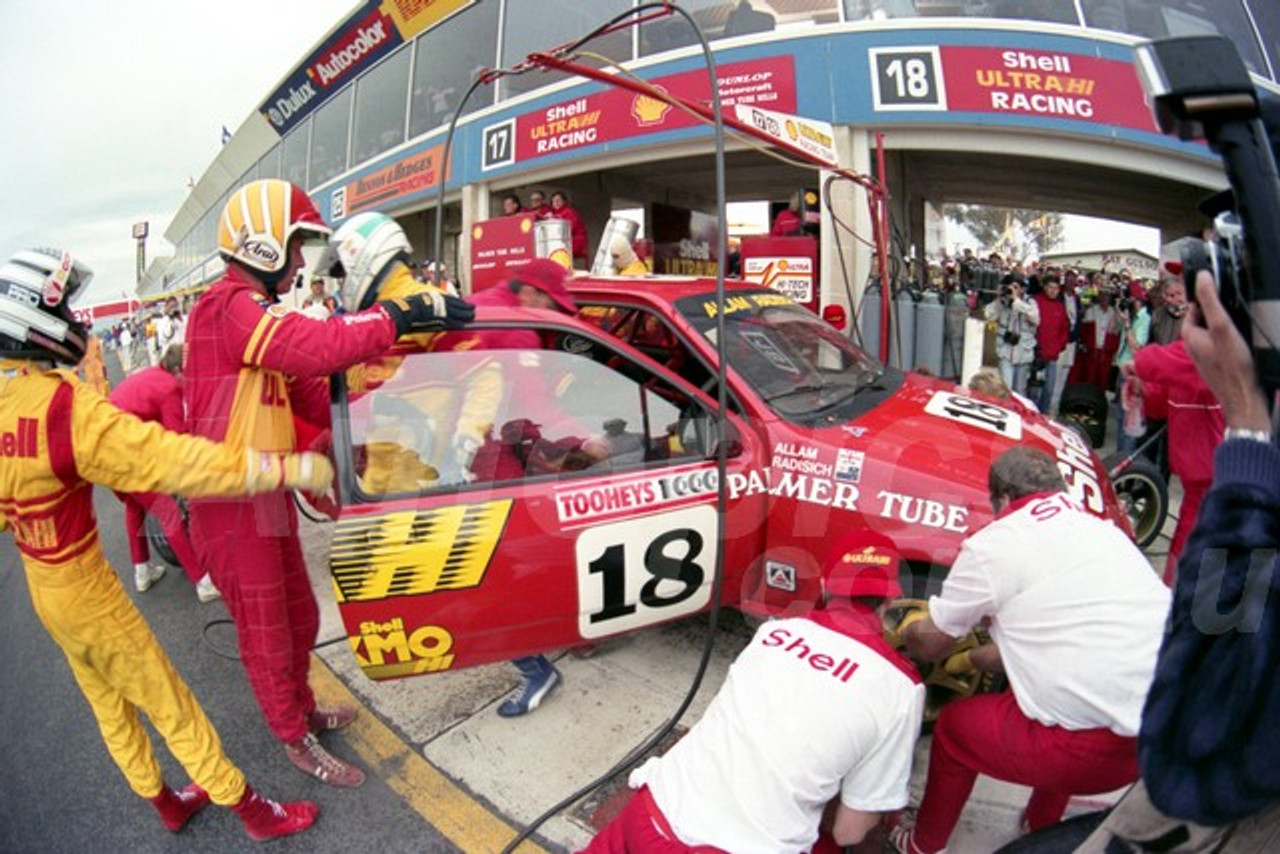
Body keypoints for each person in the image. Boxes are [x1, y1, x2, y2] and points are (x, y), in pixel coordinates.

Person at [0, 247, 331, 841]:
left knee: (108, 704)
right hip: (86, 589)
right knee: (166, 698)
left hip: (42, 587)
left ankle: (165, 801)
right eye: (68, 308)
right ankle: (253, 811)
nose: (79, 322)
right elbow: (177, 462)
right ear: (36, 321)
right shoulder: (63, 409)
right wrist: (285, 470)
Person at [183, 179, 474, 789]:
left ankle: (304, 708)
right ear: (262, 245)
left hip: (262, 493)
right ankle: (294, 737)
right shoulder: (227, 305)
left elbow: (319, 390)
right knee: (268, 631)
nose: (298, 266)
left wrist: (391, 395)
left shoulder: (252, 314)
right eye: (295, 249)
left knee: (299, 617)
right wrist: (398, 316)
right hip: (228, 504)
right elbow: (312, 349)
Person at [1077, 269, 1280, 853]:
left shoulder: (1246, 528)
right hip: (1217, 495)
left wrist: (1246, 418)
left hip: (1222, 498)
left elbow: (1194, 731)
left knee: (1186, 607)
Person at [889, 445, 1170, 854]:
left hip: (1089, 754)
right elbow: (1043, 648)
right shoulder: (1105, 532)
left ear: (1002, 499)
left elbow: (932, 644)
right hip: (1161, 737)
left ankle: (922, 844)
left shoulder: (993, 546)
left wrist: (910, 631)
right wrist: (969, 658)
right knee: (1061, 694)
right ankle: (1041, 824)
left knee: (953, 732)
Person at [582, 532, 925, 853]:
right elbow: (848, 832)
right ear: (892, 597)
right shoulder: (900, 688)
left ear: (823, 585)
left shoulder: (774, 633)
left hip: (650, 817)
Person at [109, 343, 218, 602]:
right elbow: (176, 440)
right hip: (126, 457)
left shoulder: (150, 376)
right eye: (190, 375)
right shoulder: (169, 388)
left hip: (107, 455)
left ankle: (142, 571)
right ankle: (203, 582)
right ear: (178, 370)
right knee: (168, 511)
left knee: (135, 507)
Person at [1123, 335, 1223, 585]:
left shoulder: (1217, 350)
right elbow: (1163, 402)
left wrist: (1141, 362)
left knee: (1191, 573)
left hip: (1219, 489)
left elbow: (1174, 362)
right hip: (1196, 488)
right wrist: (1142, 389)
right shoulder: (1189, 356)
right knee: (1179, 567)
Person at [983, 276, 1039, 396]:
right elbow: (988, 316)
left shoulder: (1030, 302)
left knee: (1020, 391)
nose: (1012, 290)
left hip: (1023, 351)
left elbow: (1036, 319)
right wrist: (999, 298)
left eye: (1015, 287)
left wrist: (1017, 301)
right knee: (1005, 388)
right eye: (1009, 287)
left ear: (1022, 289)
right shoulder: (1002, 302)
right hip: (1005, 350)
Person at [1113, 285, 1152, 454]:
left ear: (1138, 301)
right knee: (1120, 420)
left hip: (1132, 374)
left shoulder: (1144, 319)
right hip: (1122, 369)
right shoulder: (1131, 316)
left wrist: (1128, 326)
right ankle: (1119, 455)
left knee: (1129, 423)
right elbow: (1114, 331)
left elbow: (1137, 347)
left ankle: (1126, 460)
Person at [1069, 282, 1122, 390]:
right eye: (1102, 295)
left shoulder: (1114, 314)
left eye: (1107, 296)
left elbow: (1117, 333)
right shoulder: (1091, 311)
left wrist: (1112, 351)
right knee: (1088, 379)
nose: (1104, 298)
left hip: (1105, 353)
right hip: (1092, 352)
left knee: (1102, 382)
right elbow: (1084, 332)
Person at [1030, 272, 1069, 413]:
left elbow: (1065, 329)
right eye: (1050, 287)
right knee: (1033, 392)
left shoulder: (1060, 307)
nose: (1053, 291)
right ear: (1044, 287)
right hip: (1036, 354)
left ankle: (1043, 419)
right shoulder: (1035, 301)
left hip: (1052, 355)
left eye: (1056, 288)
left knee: (1049, 391)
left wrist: (1059, 346)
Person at [1149, 268, 1189, 346]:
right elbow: (1152, 341)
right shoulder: (1158, 313)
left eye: (1173, 295)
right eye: (1167, 295)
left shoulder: (1193, 316)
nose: (1169, 299)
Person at [549, 191, 588, 266]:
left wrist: (553, 218)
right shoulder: (556, 214)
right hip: (567, 249)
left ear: (564, 201)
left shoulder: (569, 212)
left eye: (558, 200)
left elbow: (567, 229)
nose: (556, 203)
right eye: (554, 201)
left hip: (575, 249)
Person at [79, 327, 109, 396]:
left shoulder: (93, 340)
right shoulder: (83, 343)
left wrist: (104, 366)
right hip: (90, 369)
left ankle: (102, 402)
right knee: (93, 388)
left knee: (100, 386)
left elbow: (100, 354)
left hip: (96, 367)